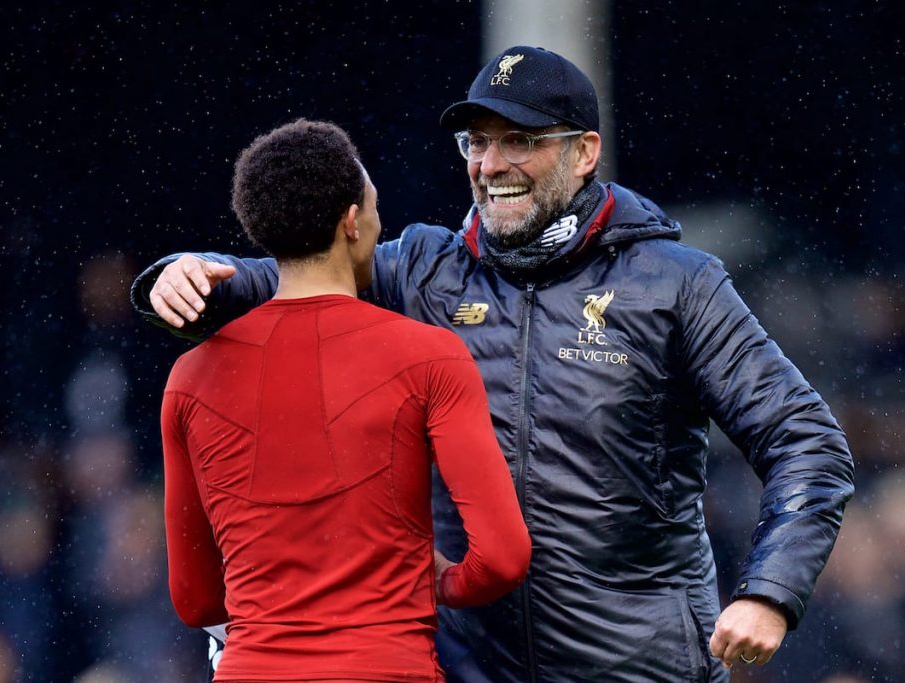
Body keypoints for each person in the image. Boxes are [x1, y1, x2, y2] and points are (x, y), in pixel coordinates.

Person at [136, 47, 855, 682]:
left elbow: (806, 441)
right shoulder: (424, 268)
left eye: (521, 141)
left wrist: (769, 592)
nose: (491, 164)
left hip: (642, 667)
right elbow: (296, 271)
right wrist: (184, 273)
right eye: (476, 142)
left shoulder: (675, 282)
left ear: (583, 152)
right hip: (467, 667)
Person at [159, 119, 530, 682]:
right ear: (352, 222)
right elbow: (502, 558)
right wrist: (440, 582)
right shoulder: (431, 356)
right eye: (376, 209)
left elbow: (193, 599)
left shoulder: (190, 378)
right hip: (388, 668)